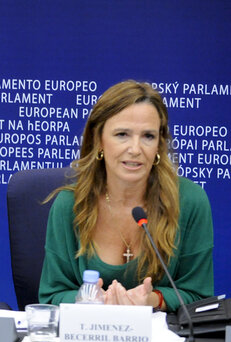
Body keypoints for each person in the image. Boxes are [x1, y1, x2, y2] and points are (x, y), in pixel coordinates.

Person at [38, 80, 213, 311]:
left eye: (148, 136)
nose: (135, 149)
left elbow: (199, 297)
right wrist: (91, 299)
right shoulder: (70, 205)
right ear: (98, 140)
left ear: (159, 145)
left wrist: (153, 300)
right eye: (122, 134)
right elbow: (52, 297)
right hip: (86, 339)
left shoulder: (190, 201)